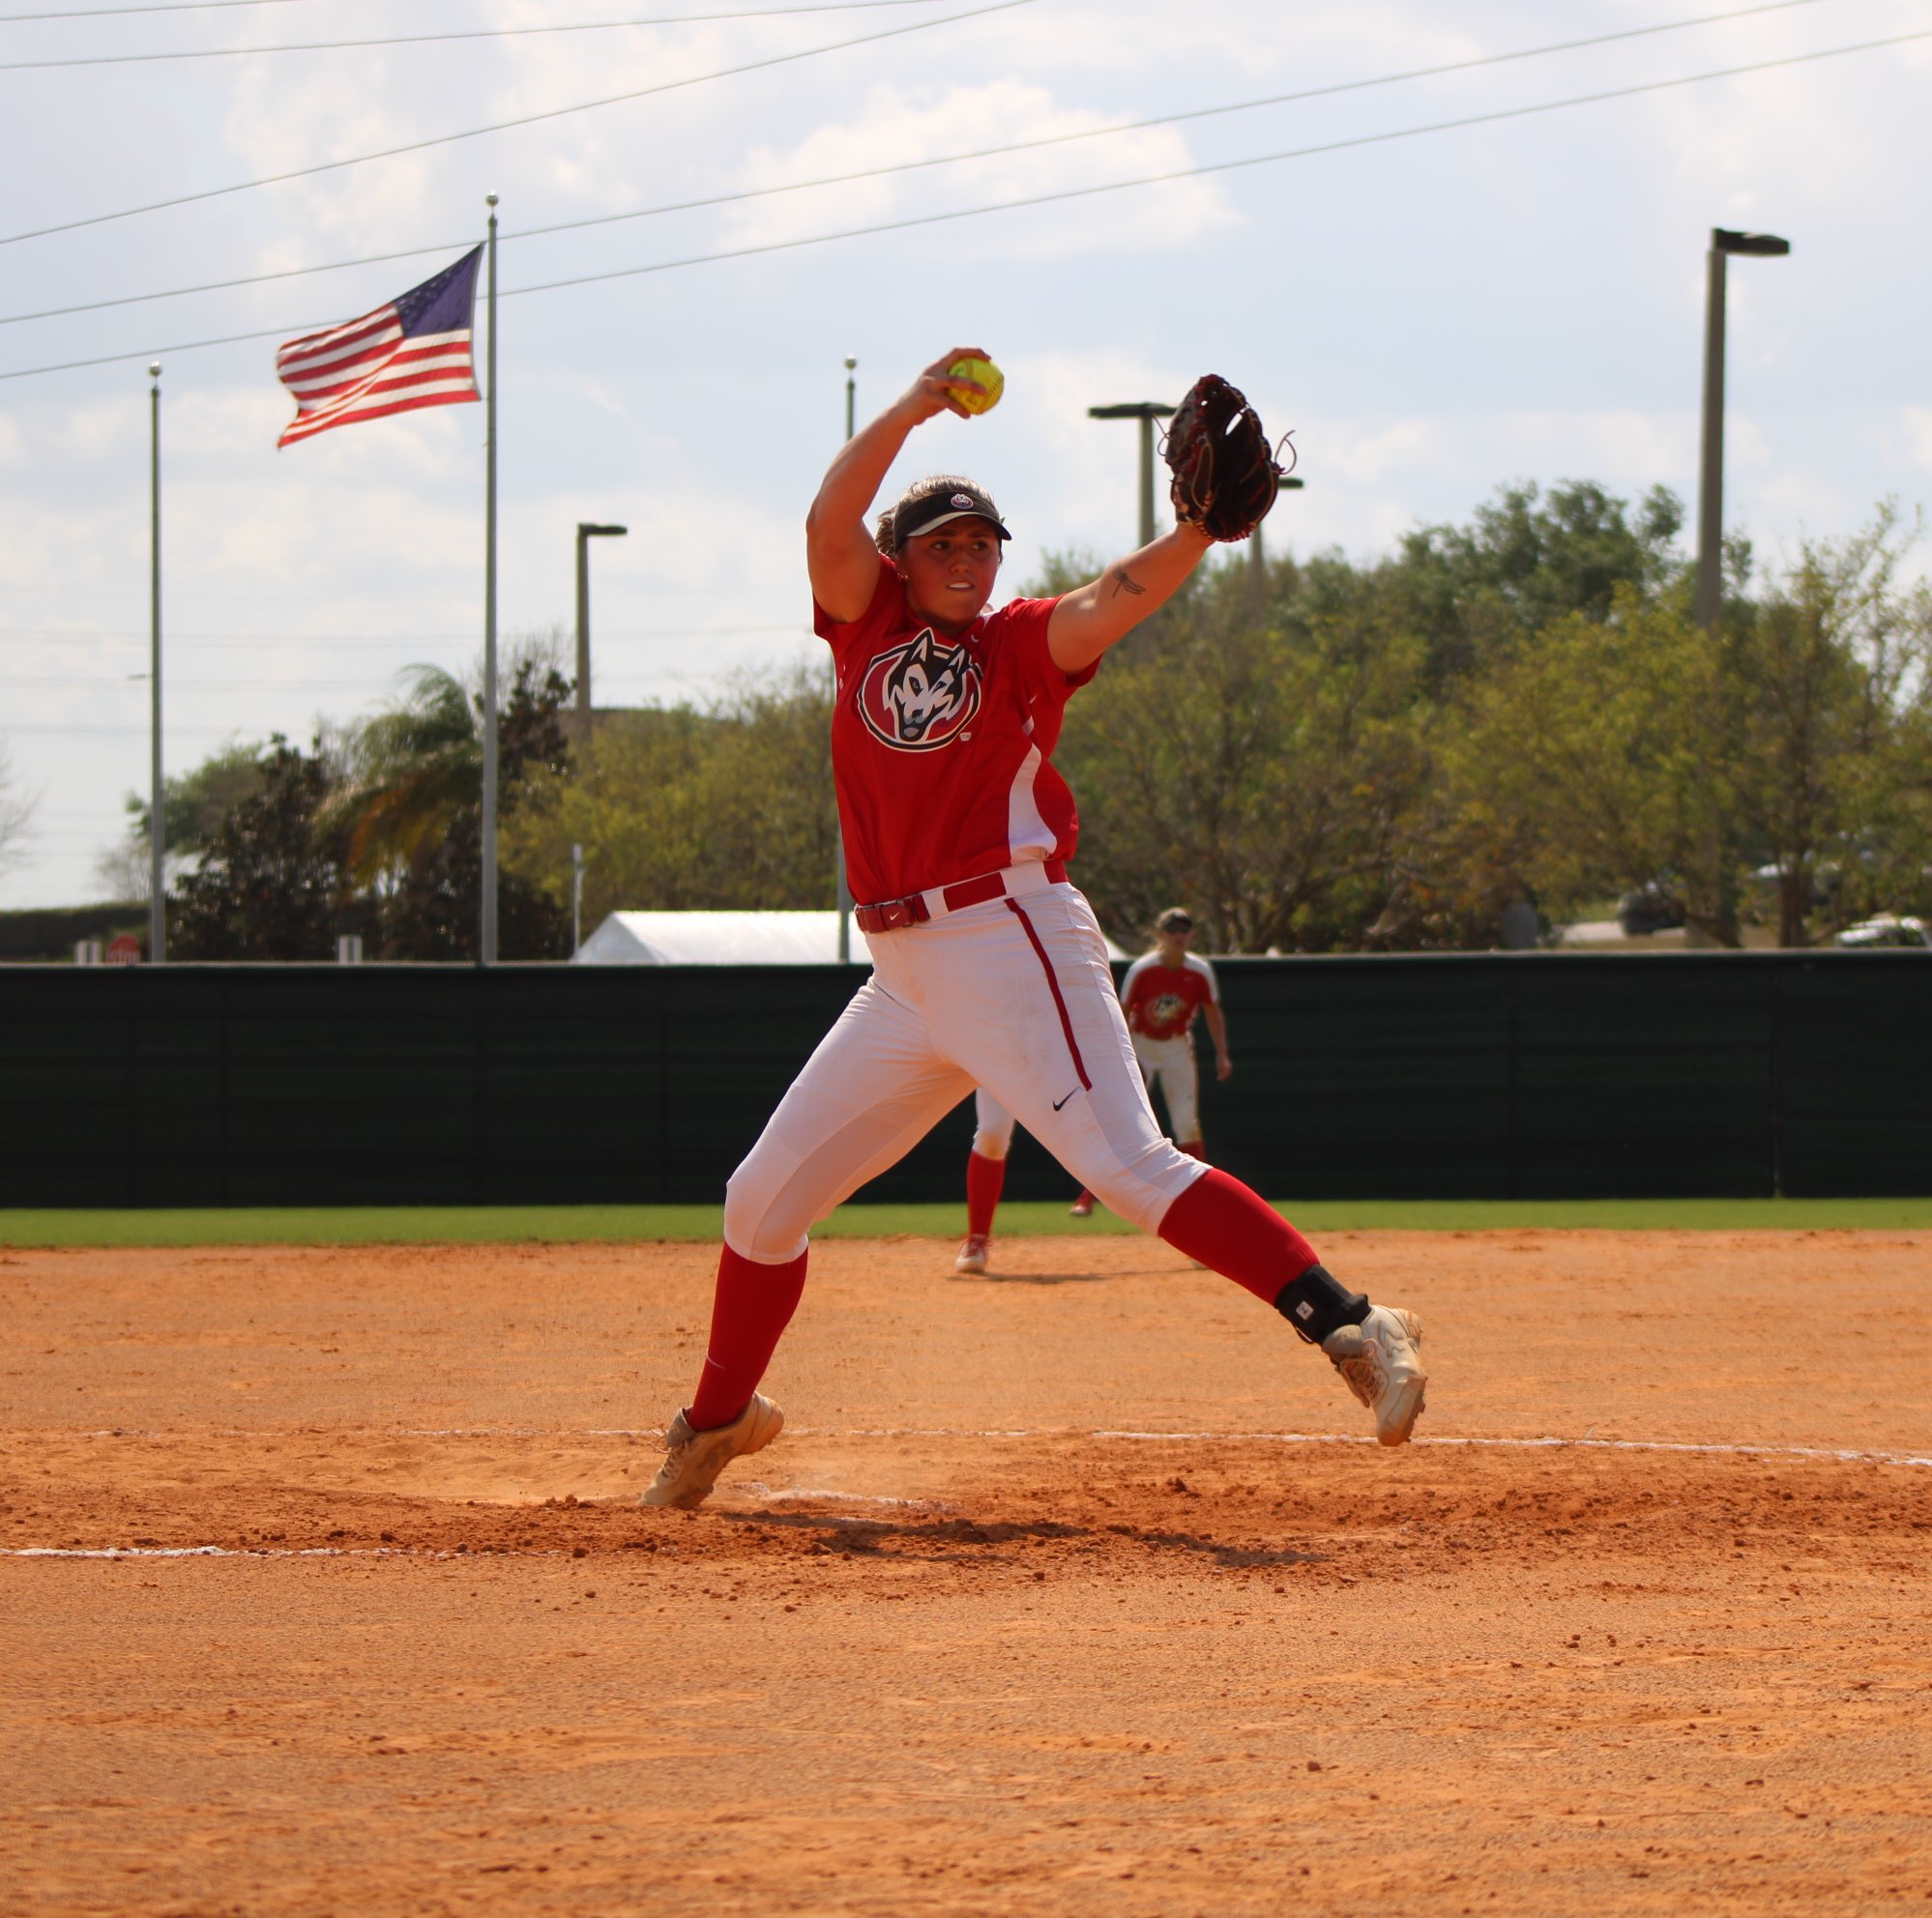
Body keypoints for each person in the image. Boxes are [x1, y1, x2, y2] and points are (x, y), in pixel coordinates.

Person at [641, 347, 1426, 1510]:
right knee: (760, 1201)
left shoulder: (1015, 648)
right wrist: (917, 404)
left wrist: (1195, 535)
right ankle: (718, 1423)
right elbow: (827, 518)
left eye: (982, 543)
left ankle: (1355, 1325)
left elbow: (1116, 595)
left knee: (1128, 1167)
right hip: (904, 975)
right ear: (901, 560)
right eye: (942, 544)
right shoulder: (861, 622)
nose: (966, 559)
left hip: (1008, 934)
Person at [1069, 907, 1229, 1217]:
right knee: (1122, 1121)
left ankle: (1201, 1198)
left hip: (1177, 1048)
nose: (1178, 935)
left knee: (1186, 1124)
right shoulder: (1143, 969)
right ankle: (1088, 1196)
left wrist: (1222, 1053)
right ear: (1159, 935)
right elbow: (1122, 1010)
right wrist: (1114, 1055)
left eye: (1184, 929)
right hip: (1140, 1046)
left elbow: (1213, 1011)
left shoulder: (1199, 970)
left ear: (1192, 935)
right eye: (1172, 930)